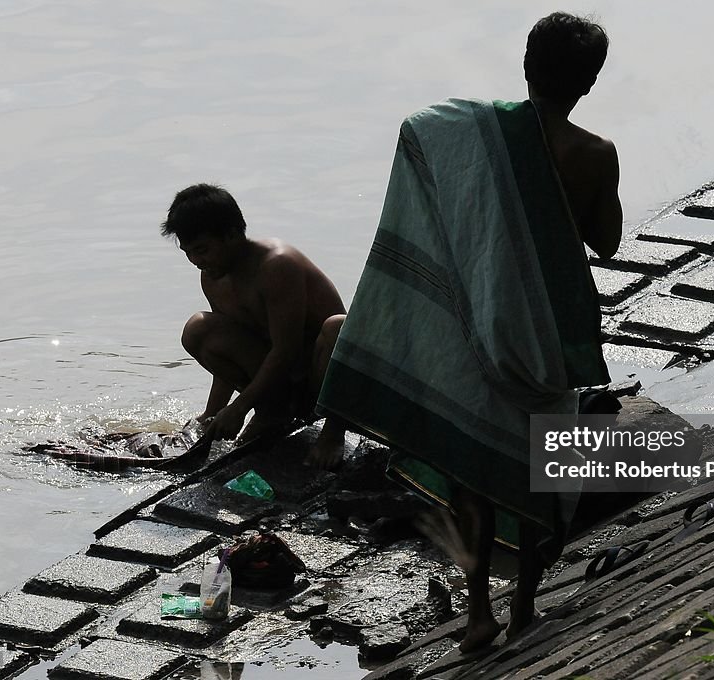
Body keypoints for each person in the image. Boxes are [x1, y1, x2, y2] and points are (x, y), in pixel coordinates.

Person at [316, 12, 621, 652]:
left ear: (526, 65)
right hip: (543, 335)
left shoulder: (471, 129)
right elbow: (607, 242)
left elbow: (416, 132)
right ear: (590, 82)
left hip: (476, 320)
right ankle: (524, 611)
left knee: (473, 469)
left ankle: (479, 610)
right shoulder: (594, 154)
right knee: (541, 468)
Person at [161, 183, 348, 468]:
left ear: (232, 235)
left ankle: (334, 432)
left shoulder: (277, 265)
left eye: (203, 250)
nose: (197, 262)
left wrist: (240, 407)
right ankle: (273, 412)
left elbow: (286, 350)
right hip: (281, 384)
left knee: (337, 327)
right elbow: (228, 352)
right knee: (199, 330)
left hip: (319, 378)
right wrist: (213, 413)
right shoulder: (213, 276)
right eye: (189, 253)